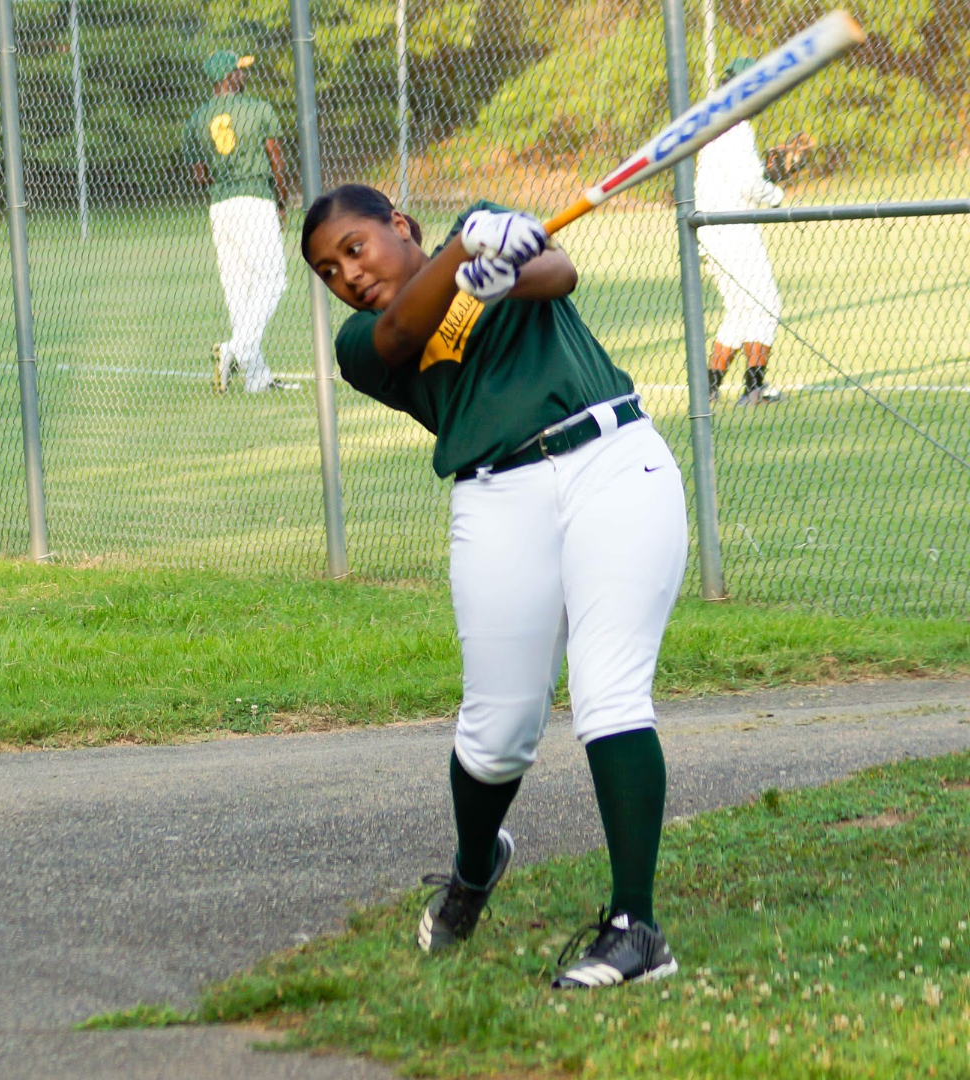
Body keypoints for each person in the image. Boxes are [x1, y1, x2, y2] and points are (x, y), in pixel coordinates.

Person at [299, 185, 689, 989]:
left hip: (613, 462)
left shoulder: (482, 235)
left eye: (355, 248)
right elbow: (406, 328)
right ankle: (475, 873)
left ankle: (635, 928)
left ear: (398, 225)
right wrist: (463, 254)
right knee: (497, 732)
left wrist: (501, 266)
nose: (346, 274)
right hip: (496, 495)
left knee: (609, 691)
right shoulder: (358, 342)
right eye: (329, 270)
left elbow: (562, 272)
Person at [184, 48, 294, 394]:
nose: (244, 75)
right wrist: (281, 199)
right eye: (239, 71)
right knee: (274, 281)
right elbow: (276, 160)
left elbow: (199, 176)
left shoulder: (197, 119)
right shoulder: (258, 108)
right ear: (228, 77)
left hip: (220, 206)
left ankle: (256, 378)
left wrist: (222, 169)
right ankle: (235, 350)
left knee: (239, 291)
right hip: (254, 199)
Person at [696, 57, 785, 407]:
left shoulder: (717, 120)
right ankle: (753, 389)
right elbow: (748, 183)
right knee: (766, 305)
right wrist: (775, 192)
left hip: (712, 229)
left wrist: (766, 175)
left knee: (739, 310)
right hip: (732, 230)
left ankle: (709, 386)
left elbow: (740, 177)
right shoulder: (737, 125)